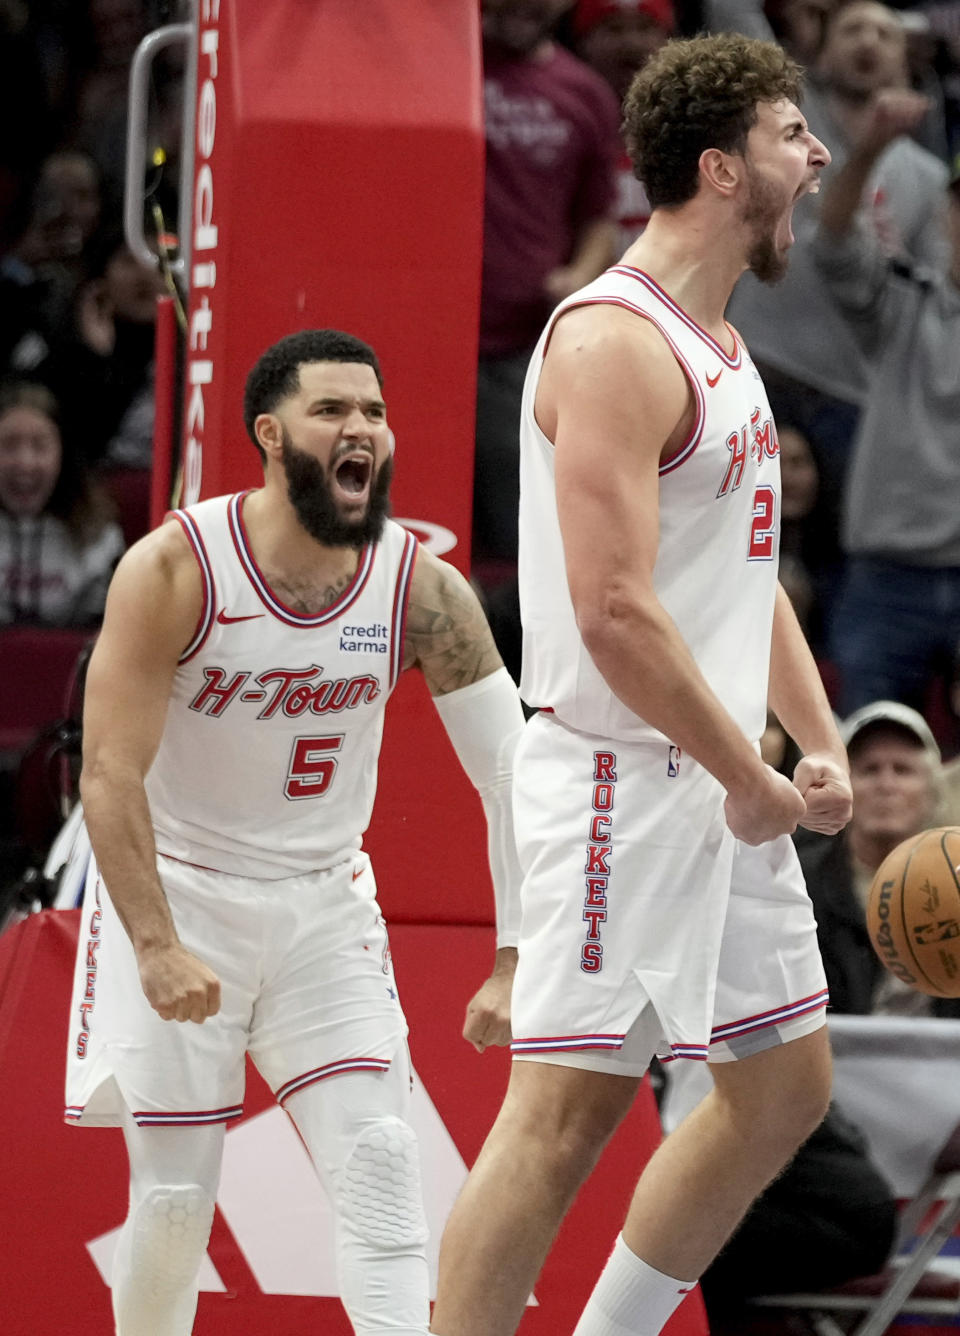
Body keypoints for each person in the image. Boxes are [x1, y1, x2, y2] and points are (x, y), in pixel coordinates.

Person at [431, 33, 852, 1336]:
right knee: (559, 1120)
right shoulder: (613, 341)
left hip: (719, 780)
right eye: (794, 134)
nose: (819, 153)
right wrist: (750, 776)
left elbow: (746, 581)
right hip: (624, 778)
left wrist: (817, 742)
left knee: (785, 1090)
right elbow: (616, 613)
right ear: (722, 167)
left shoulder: (723, 346)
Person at [63, 329, 525, 1336]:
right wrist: (153, 944)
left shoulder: (419, 588)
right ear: (271, 434)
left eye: (375, 411)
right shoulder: (176, 570)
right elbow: (108, 774)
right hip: (181, 889)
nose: (361, 428)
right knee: (176, 1204)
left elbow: (510, 771)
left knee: (382, 1164)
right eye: (333, 411)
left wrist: (515, 949)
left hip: (323, 902)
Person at [813, 103, 960, 714]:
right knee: (856, 756)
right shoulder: (907, 299)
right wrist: (870, 149)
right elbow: (836, 245)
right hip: (885, 576)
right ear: (949, 215)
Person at [474, 0, 620, 566]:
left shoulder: (585, 92)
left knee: (524, 537)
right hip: (427, 340)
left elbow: (598, 217)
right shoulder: (442, 69)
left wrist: (581, 276)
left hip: (525, 349)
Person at [799, 699, 960, 1018]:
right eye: (870, 770)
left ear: (932, 788)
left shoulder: (955, 870)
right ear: (844, 787)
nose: (886, 785)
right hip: (838, 1058)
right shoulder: (800, 881)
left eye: (902, 770)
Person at [0, 379, 123, 625]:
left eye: (40, 445)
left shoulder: (100, 537)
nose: (25, 462)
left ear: (62, 454)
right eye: (9, 445)